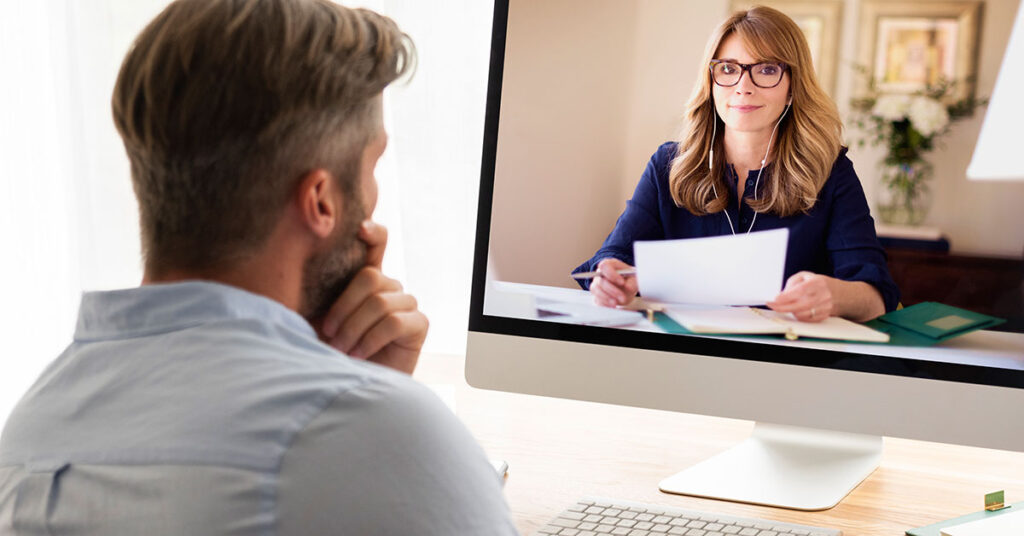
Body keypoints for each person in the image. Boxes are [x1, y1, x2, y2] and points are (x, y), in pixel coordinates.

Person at [0, 1, 518, 534]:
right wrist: (377, 405)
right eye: (372, 165)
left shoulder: (28, 430)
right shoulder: (376, 432)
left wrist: (350, 378)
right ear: (321, 201)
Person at [573, 6, 899, 323]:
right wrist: (610, 281)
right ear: (711, 81)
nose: (744, 86)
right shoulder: (668, 165)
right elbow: (611, 260)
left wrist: (834, 295)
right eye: (728, 69)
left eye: (767, 70)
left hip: (787, 363)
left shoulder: (830, 171)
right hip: (681, 357)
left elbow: (876, 296)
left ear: (792, 88)